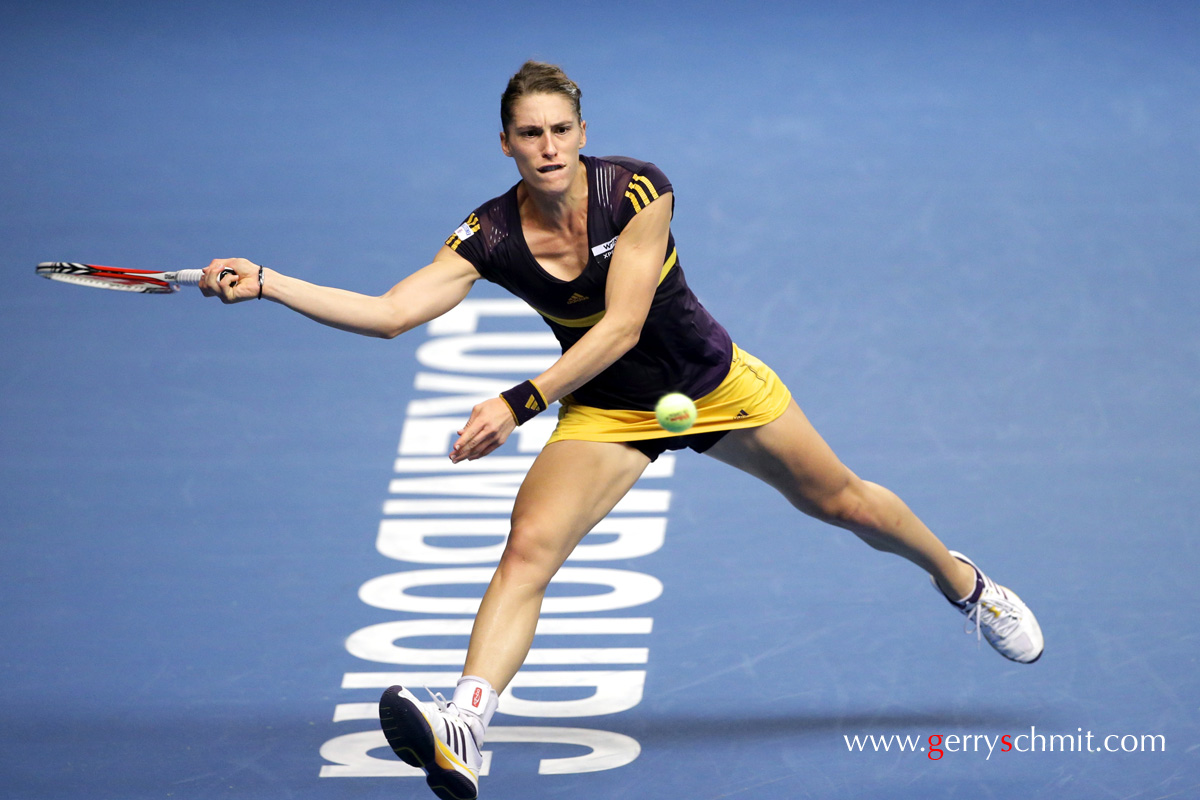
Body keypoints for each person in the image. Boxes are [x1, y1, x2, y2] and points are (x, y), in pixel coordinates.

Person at [200, 60, 1043, 800]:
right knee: (527, 547)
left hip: (710, 385)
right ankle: (465, 722)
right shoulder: (489, 234)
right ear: (506, 144)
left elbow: (621, 327)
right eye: (529, 133)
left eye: (561, 128)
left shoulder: (638, 189)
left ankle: (963, 582)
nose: (548, 146)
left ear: (582, 131)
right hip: (606, 412)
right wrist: (270, 280)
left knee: (847, 505)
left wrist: (517, 403)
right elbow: (391, 313)